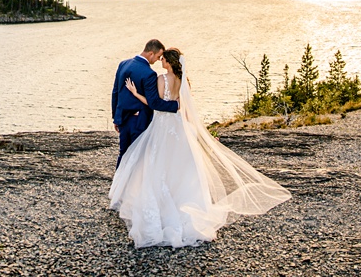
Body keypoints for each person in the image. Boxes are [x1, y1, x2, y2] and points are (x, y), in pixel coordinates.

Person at [109, 48, 291, 248]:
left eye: (163, 59)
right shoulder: (184, 81)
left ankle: (160, 212)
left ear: (169, 62)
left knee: (158, 165)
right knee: (182, 168)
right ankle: (187, 208)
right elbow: (185, 107)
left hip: (163, 126)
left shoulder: (162, 79)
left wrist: (135, 93)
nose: (160, 62)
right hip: (179, 127)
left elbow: (155, 104)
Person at [111, 39, 180, 168]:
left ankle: (119, 186)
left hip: (123, 118)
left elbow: (115, 92)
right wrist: (176, 105)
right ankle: (134, 186)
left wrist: (116, 116)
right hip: (139, 121)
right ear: (151, 54)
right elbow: (154, 103)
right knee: (138, 155)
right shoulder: (149, 74)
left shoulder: (123, 64)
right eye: (158, 56)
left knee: (123, 154)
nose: (158, 60)